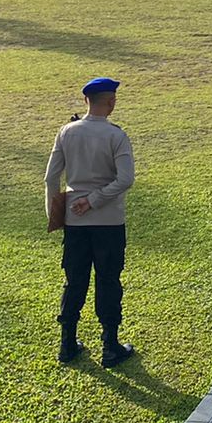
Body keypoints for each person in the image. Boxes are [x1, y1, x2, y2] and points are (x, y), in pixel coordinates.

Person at [46, 77, 136, 368]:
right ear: (111, 102)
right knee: (108, 280)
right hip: (108, 221)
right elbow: (125, 179)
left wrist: (56, 214)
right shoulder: (116, 136)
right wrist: (96, 199)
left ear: (86, 100)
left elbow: (50, 178)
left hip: (75, 222)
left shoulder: (66, 132)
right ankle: (110, 345)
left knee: (75, 281)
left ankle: (67, 343)